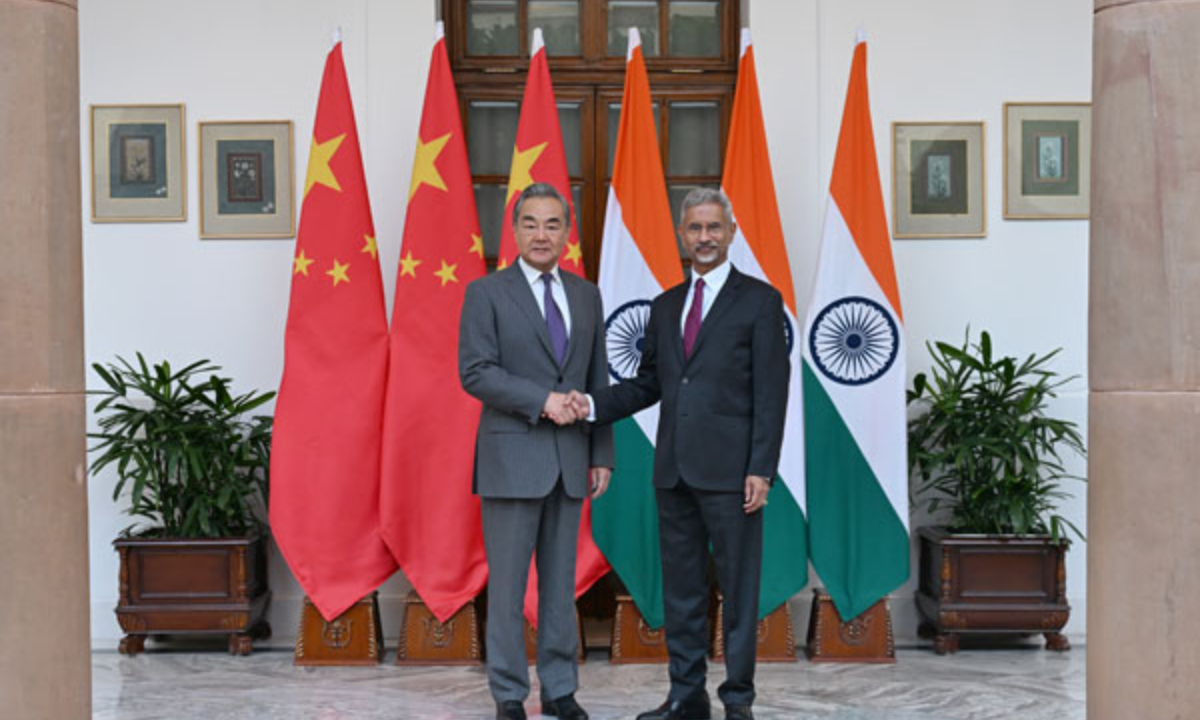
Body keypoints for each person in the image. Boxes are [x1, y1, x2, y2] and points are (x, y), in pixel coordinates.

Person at [570, 188, 789, 720]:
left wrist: (762, 468)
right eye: (695, 228)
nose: (704, 237)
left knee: (738, 593)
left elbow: (772, 392)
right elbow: (650, 383)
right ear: (682, 235)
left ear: (731, 232)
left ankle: (737, 701)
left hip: (734, 475)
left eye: (714, 227)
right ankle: (686, 697)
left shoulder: (760, 301)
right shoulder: (666, 306)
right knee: (682, 594)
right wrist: (590, 405)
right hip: (674, 474)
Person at [459, 183, 613, 720]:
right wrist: (543, 401)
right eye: (530, 223)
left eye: (552, 224)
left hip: (571, 461)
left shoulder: (587, 295)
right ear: (515, 230)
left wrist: (602, 452)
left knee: (559, 587)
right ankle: (508, 694)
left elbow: (598, 379)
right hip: (511, 461)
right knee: (506, 588)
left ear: (567, 232)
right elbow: (475, 372)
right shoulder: (486, 293)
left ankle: (560, 689)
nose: (541, 234)